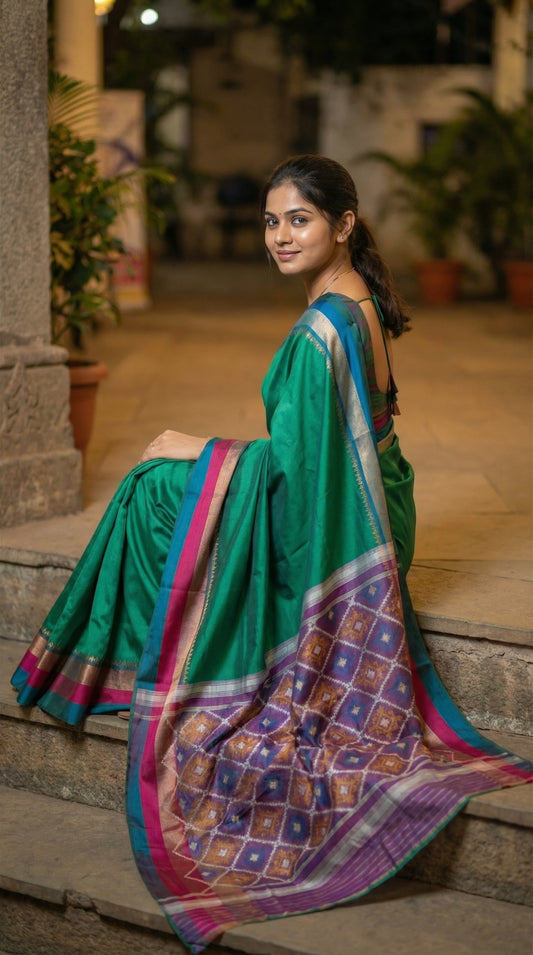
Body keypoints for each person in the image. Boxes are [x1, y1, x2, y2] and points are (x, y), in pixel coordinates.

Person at [11, 155, 532, 954]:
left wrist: (200, 449)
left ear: (343, 225)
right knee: (165, 482)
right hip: (380, 498)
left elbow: (293, 476)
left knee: (150, 489)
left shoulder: (324, 325)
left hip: (353, 520)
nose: (280, 236)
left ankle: (152, 660)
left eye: (299, 219)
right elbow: (319, 451)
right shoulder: (351, 301)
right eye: (270, 220)